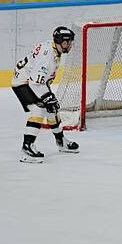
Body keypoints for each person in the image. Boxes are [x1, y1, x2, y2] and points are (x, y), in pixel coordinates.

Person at [12, 26, 79, 163]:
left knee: (51, 108)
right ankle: (27, 147)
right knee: (39, 108)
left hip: (34, 81)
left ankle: (61, 142)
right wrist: (46, 97)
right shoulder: (48, 56)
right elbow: (34, 82)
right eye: (69, 42)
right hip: (23, 81)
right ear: (62, 42)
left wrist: (48, 98)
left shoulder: (55, 49)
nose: (70, 45)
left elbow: (40, 78)